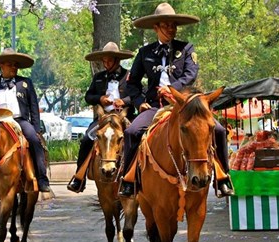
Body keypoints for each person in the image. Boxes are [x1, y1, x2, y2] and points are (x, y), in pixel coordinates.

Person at [119, 2, 234, 197]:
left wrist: (174, 89)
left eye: (174, 25)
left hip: (185, 105)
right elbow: (132, 84)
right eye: (166, 25)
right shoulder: (144, 53)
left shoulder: (187, 48)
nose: (171, 29)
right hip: (155, 106)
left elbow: (190, 74)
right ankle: (129, 181)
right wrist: (139, 102)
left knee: (220, 130)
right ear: (156, 28)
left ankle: (223, 178)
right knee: (131, 132)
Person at [0, 48, 50, 192]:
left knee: (34, 141)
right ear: (1, 66)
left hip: (19, 120)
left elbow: (34, 107)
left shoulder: (25, 83)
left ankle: (41, 178)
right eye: (10, 65)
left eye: (15, 65)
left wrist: (36, 129)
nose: (14, 68)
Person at [67, 42, 135, 193]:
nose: (106, 63)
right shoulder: (98, 77)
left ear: (117, 60)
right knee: (86, 139)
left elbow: (138, 94)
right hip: (103, 119)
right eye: (104, 61)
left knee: (136, 137)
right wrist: (100, 99)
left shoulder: (129, 76)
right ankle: (80, 178)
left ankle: (137, 176)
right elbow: (88, 96)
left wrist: (124, 101)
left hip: (124, 117)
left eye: (109, 60)